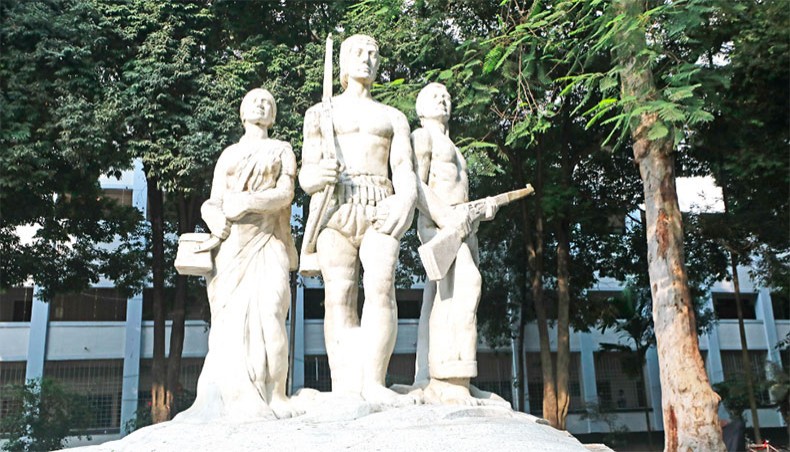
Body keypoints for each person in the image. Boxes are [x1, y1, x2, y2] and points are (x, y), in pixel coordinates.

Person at [298, 34, 417, 404]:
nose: (365, 58)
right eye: (357, 52)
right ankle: (346, 385)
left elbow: (403, 167)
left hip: (380, 206)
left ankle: (374, 382)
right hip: (336, 208)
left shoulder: (393, 117)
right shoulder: (320, 113)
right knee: (339, 294)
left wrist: (406, 199)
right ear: (343, 63)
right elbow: (306, 174)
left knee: (381, 286)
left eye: (372, 54)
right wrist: (319, 175)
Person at [177, 88, 299, 421]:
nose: (261, 104)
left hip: (268, 239)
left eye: (268, 102)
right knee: (229, 320)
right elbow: (213, 201)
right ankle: (235, 393)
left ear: (273, 115)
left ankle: (276, 393)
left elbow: (285, 194)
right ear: (242, 112)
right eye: (254, 100)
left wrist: (247, 202)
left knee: (272, 310)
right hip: (231, 246)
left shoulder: (282, 149)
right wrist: (212, 217)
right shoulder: (229, 155)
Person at [412, 83, 499, 405]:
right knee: (465, 287)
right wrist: (446, 218)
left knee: (439, 298)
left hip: (464, 228)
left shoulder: (453, 146)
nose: (443, 100)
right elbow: (413, 184)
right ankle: (452, 380)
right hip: (440, 225)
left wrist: (483, 211)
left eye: (446, 96)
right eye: (435, 96)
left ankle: (432, 376)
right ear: (420, 107)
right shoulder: (422, 137)